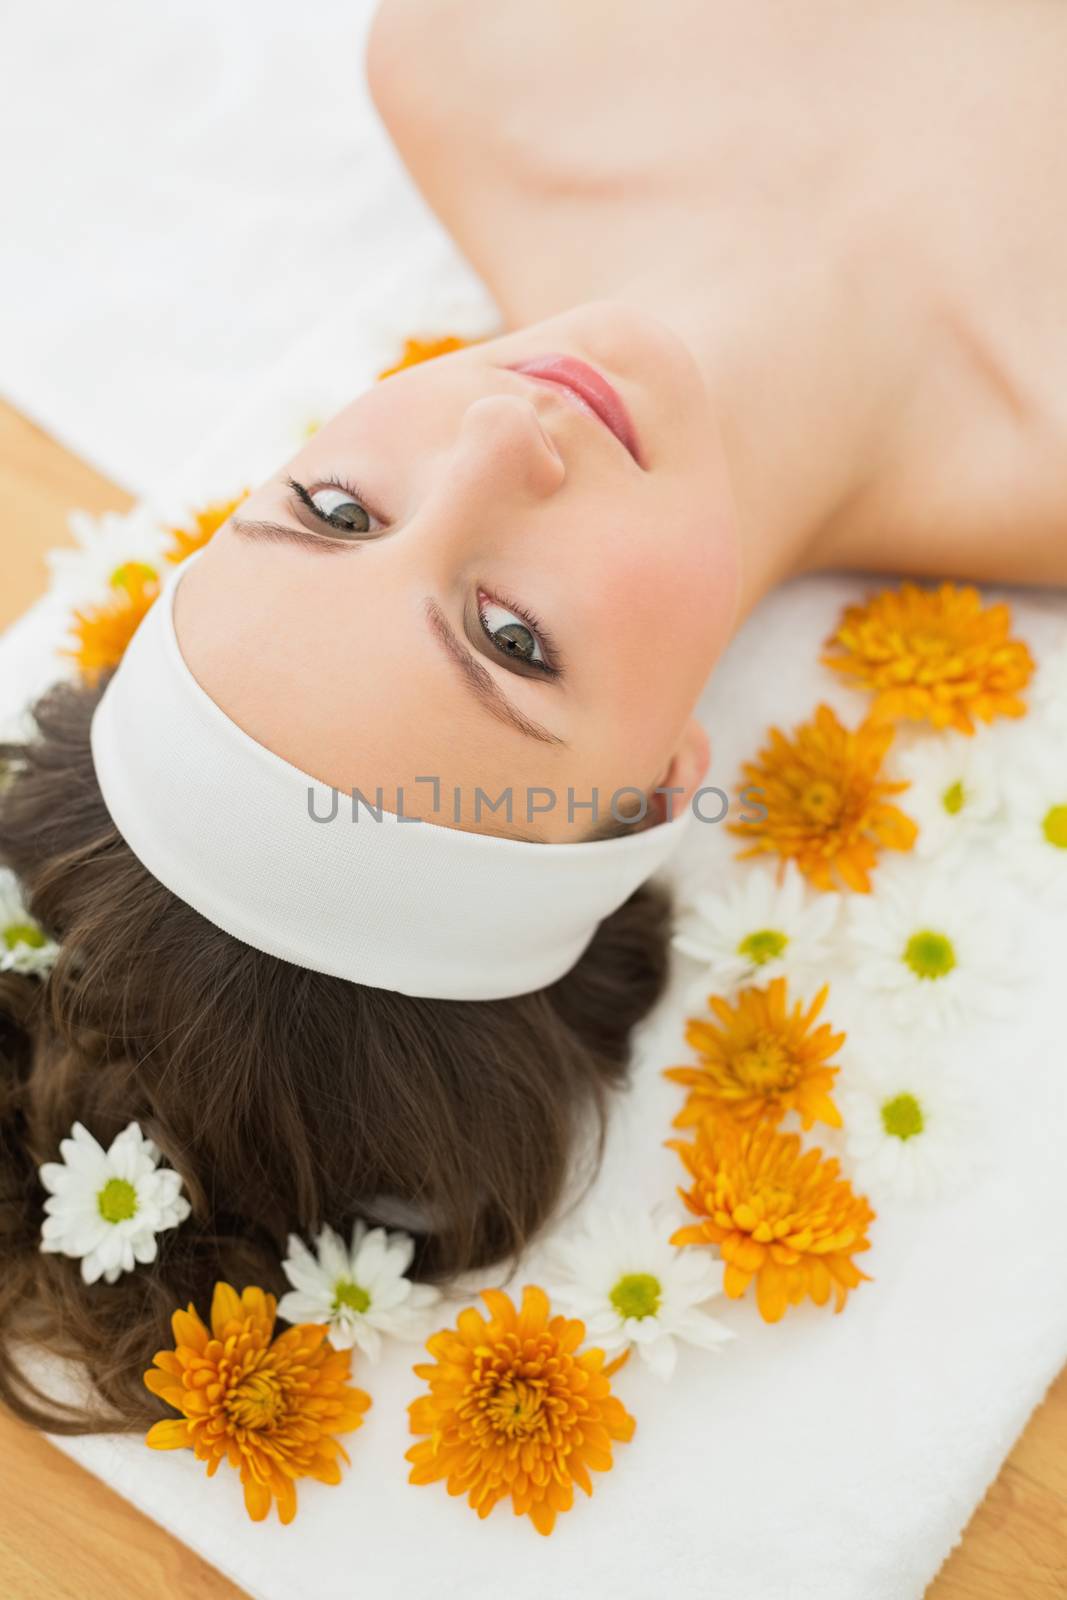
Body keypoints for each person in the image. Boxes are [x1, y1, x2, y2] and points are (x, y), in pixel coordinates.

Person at [2, 0, 1065, 1433]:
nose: (498, 436)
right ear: (658, 790)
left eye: (336, 510)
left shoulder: (476, 58)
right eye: (513, 636)